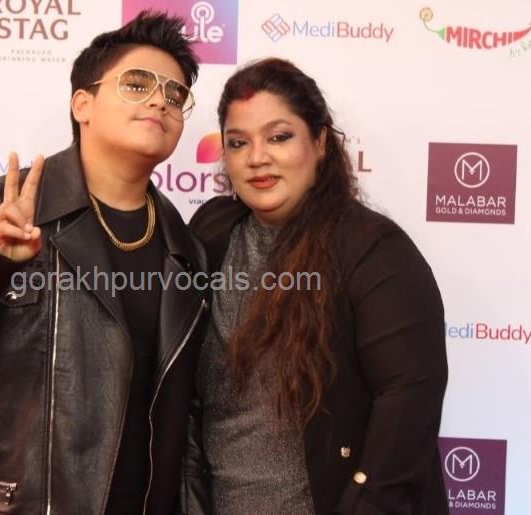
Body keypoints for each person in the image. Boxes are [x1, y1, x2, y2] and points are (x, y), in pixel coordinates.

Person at [0, 11, 209, 515]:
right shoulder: (3, 205)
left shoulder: (185, 249)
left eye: (175, 94)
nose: (159, 101)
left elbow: (187, 418)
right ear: (83, 104)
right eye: (137, 84)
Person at [182, 58, 449, 515]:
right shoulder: (211, 231)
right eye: (238, 142)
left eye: (279, 137)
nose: (257, 157)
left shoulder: (372, 248)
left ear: (320, 142)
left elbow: (410, 397)